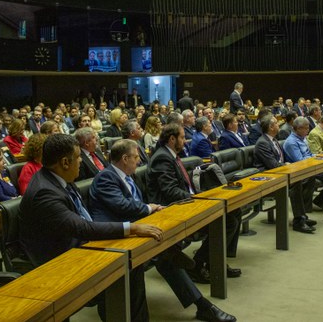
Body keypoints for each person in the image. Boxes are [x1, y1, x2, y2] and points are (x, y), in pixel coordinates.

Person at [18, 133, 162, 322]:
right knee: (124, 262)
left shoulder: (59, 180)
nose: (81, 161)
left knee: (131, 261)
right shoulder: (45, 192)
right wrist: (132, 228)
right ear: (64, 162)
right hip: (58, 257)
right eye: (78, 157)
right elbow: (82, 228)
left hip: (76, 242)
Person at [88, 139, 236, 322]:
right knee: (165, 257)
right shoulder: (106, 177)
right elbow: (123, 206)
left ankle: (202, 303)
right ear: (125, 158)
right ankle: (201, 300)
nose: (139, 161)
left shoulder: (127, 176)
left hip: (134, 229)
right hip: (114, 236)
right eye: (136, 157)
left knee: (165, 255)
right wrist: (150, 208)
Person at [147, 123, 242, 284]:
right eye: (183, 137)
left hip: (185, 202)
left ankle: (214, 262)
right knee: (226, 220)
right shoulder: (162, 157)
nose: (186, 141)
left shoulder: (170, 154)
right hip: (171, 209)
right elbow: (170, 192)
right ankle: (198, 265)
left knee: (233, 211)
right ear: (172, 139)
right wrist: (198, 199)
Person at [282, 117, 319, 234]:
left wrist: (315, 155)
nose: (308, 130)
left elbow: (308, 154)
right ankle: (299, 220)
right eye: (306, 128)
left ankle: (303, 216)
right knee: (297, 185)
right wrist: (313, 157)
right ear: (297, 129)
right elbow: (300, 161)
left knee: (313, 177)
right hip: (294, 174)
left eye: (308, 127)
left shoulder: (303, 138)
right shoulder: (291, 142)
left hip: (303, 172)